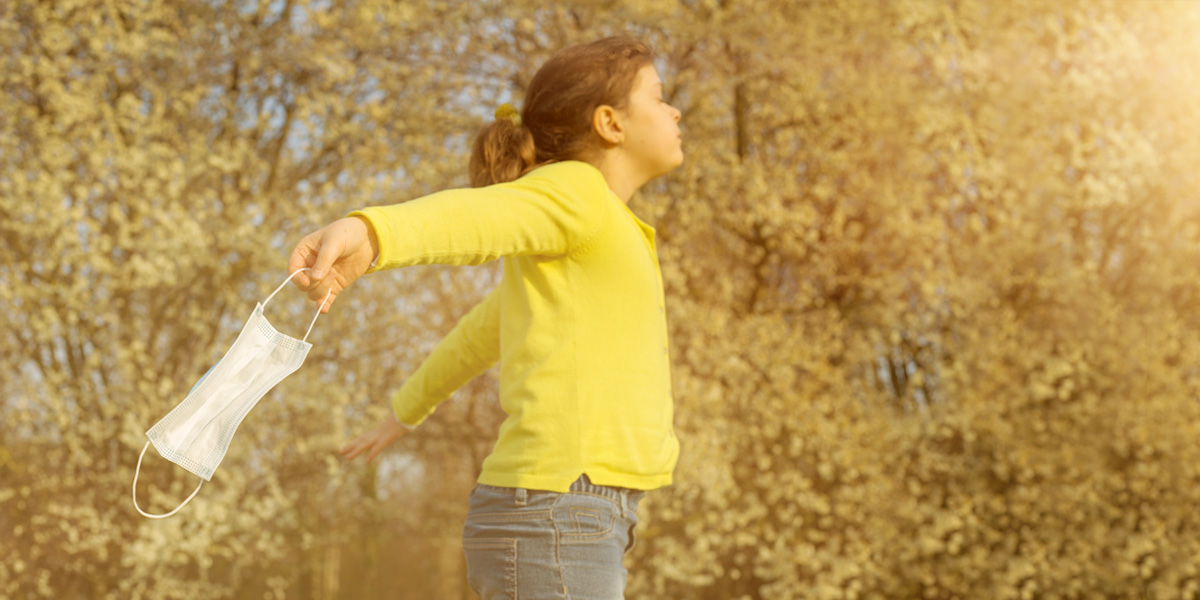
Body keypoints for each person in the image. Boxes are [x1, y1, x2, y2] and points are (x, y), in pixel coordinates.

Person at [287, 35, 683, 599]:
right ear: (610, 123)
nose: (674, 110)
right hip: (559, 511)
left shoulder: (597, 232)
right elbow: (481, 216)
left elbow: (479, 334)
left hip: (573, 513)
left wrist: (402, 414)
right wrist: (372, 234)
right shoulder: (578, 193)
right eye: (659, 95)